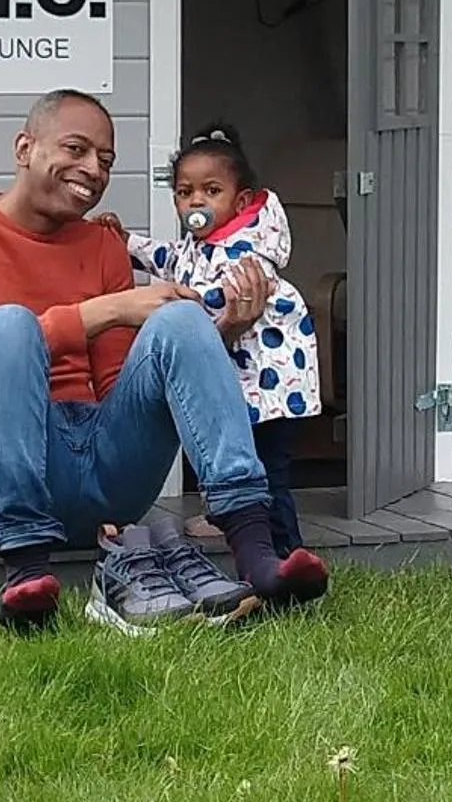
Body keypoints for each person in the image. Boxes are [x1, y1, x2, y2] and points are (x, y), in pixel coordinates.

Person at [0, 88, 329, 632]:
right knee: (6, 326)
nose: (92, 171)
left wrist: (218, 333)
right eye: (76, 149)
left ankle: (257, 555)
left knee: (180, 317)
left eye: (105, 161)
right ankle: (25, 574)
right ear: (24, 147)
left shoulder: (103, 244)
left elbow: (121, 384)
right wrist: (108, 308)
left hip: (101, 470)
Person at [117, 123, 320, 557]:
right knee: (231, 461)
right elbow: (168, 258)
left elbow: (219, 299)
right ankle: (236, 526)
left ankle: (289, 553)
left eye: (211, 191)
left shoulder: (249, 249)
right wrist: (124, 243)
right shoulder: (201, 245)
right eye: (185, 192)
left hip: (271, 390)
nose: (196, 202)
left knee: (266, 474)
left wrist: (175, 305)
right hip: (239, 386)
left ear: (241, 200)